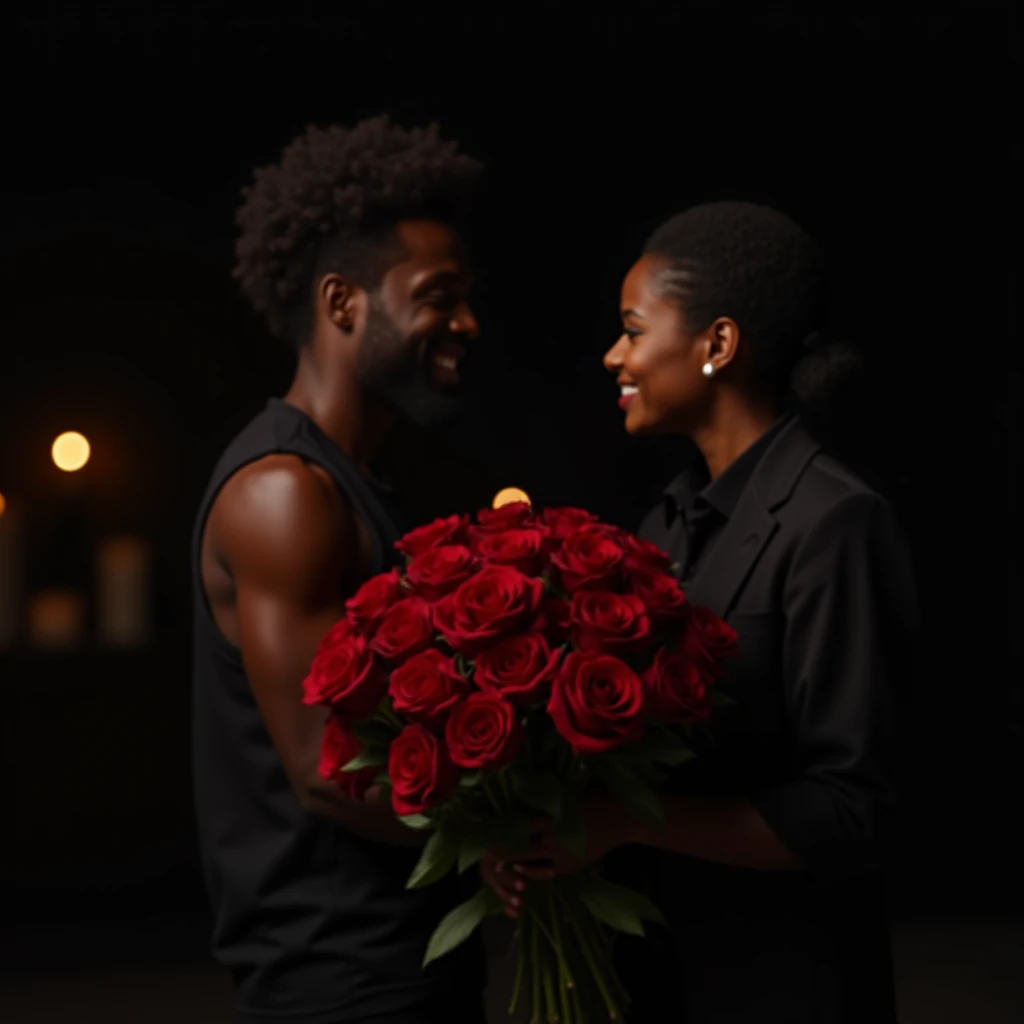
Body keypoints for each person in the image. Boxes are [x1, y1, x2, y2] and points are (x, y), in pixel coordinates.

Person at [483, 201, 919, 1023]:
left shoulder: (835, 522)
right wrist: (545, 838)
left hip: (789, 985)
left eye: (634, 329)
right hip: (661, 976)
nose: (614, 355)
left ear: (718, 345)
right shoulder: (665, 528)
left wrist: (622, 825)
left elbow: (852, 809)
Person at [192, 116, 487, 1024]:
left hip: (404, 965)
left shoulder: (358, 483)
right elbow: (327, 769)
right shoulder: (283, 493)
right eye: (439, 296)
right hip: (339, 985)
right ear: (341, 301)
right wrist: (516, 833)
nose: (467, 325)